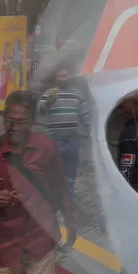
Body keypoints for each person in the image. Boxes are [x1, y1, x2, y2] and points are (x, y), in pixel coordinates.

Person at [0, 90, 76, 274]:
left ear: (32, 121)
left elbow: (61, 190)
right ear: (3, 118)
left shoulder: (46, 148)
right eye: (9, 121)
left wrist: (70, 224)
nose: (14, 127)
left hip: (39, 244)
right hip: (2, 249)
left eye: (21, 122)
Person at [37, 66, 90, 199]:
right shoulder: (49, 93)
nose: (62, 78)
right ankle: (53, 198)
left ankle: (68, 199)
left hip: (72, 140)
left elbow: (85, 115)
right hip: (54, 141)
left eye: (64, 76)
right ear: (56, 78)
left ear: (69, 78)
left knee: (71, 172)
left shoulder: (77, 94)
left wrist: (91, 132)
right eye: (59, 76)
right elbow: (39, 111)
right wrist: (48, 103)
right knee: (53, 171)